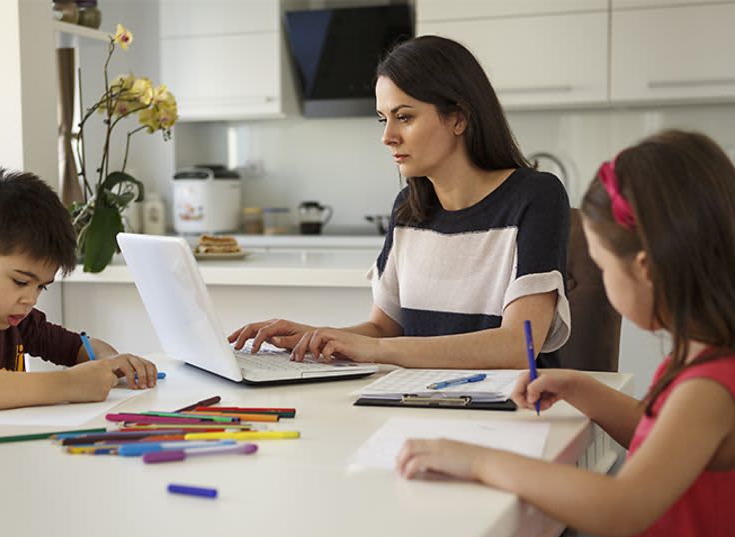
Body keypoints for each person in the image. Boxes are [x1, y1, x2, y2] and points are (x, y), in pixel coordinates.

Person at [397, 130, 735, 537]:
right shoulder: (703, 355)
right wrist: (582, 388)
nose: (603, 284)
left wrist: (479, 462)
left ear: (645, 269)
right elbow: (663, 442)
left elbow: (623, 506)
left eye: (604, 267)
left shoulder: (708, 386)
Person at [230, 35, 570, 369]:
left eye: (404, 117)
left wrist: (376, 348)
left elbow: (517, 346)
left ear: (458, 118)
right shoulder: (409, 208)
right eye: (383, 118)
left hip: (513, 408)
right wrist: (314, 336)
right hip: (422, 400)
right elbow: (383, 329)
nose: (387, 136)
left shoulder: (536, 196)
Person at [0, 168, 158, 413]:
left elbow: (76, 346)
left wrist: (110, 362)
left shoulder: (17, 322)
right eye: (20, 282)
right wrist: (67, 384)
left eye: (40, 287)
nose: (30, 299)